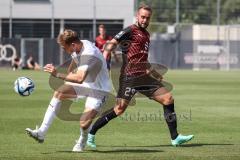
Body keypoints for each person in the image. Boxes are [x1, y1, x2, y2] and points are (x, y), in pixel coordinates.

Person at [86, 4, 194, 148]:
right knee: (119, 109)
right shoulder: (129, 31)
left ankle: (175, 138)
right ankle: (91, 133)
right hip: (129, 78)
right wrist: (105, 60)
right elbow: (110, 45)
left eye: (147, 18)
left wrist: (156, 74)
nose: (144, 20)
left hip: (143, 76)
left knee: (168, 99)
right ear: (137, 16)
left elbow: (143, 60)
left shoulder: (146, 35)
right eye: (142, 17)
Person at [25, 29, 111, 152]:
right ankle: (41, 133)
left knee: (84, 124)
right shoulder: (77, 47)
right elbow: (75, 61)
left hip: (99, 90)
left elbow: (80, 78)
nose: (65, 51)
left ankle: (82, 140)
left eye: (65, 48)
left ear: (73, 45)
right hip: (87, 83)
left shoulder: (89, 53)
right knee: (59, 92)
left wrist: (57, 74)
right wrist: (68, 78)